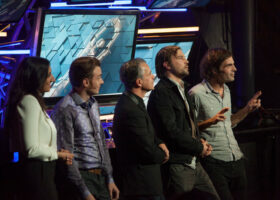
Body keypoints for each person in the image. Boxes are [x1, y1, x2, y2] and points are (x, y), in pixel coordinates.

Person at [188, 48, 261, 200]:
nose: (234, 69)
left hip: (236, 159)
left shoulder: (226, 90)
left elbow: (228, 122)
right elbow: (188, 130)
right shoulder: (196, 94)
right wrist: (210, 121)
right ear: (214, 70)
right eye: (229, 65)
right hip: (214, 162)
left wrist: (247, 109)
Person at [147, 46, 220, 200]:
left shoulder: (182, 88)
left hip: (193, 161)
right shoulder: (162, 92)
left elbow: (188, 125)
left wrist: (201, 141)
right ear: (166, 65)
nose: (186, 61)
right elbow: (171, 131)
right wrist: (199, 146)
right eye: (180, 58)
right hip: (179, 165)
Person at [3, 57, 74, 200]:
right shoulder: (29, 101)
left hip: (42, 173)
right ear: (36, 76)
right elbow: (31, 149)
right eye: (48, 75)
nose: (53, 79)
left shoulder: (33, 101)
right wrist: (59, 154)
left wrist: (56, 152)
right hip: (36, 176)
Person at [51, 57, 119, 200]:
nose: (102, 81)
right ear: (85, 82)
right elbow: (66, 155)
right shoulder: (65, 109)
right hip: (82, 179)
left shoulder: (94, 104)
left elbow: (101, 143)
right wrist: (84, 191)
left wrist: (110, 178)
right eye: (99, 77)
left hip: (101, 178)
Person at [113, 58, 169, 200]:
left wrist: (160, 142)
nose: (153, 76)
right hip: (143, 187)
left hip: (146, 184)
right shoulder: (130, 109)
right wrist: (164, 155)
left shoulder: (134, 102)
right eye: (149, 74)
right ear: (139, 82)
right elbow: (146, 149)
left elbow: (148, 134)